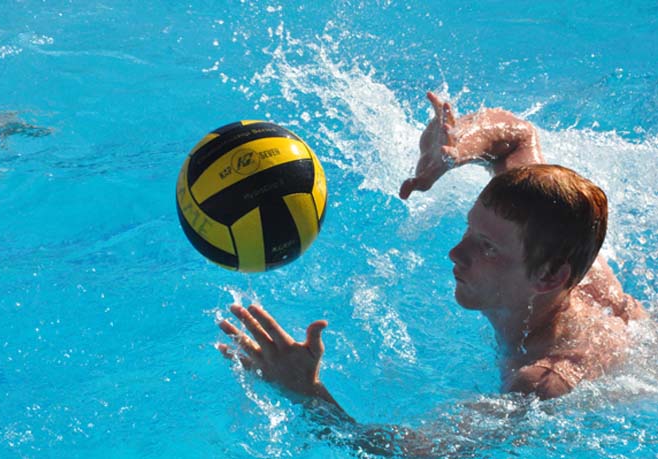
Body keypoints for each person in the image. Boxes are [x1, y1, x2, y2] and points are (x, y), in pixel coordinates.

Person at [217, 92, 649, 423]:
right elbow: (515, 134)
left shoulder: (541, 380)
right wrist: (454, 151)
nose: (455, 252)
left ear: (550, 278)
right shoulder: (545, 232)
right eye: (470, 230)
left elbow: (416, 453)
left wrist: (307, 395)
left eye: (488, 247)